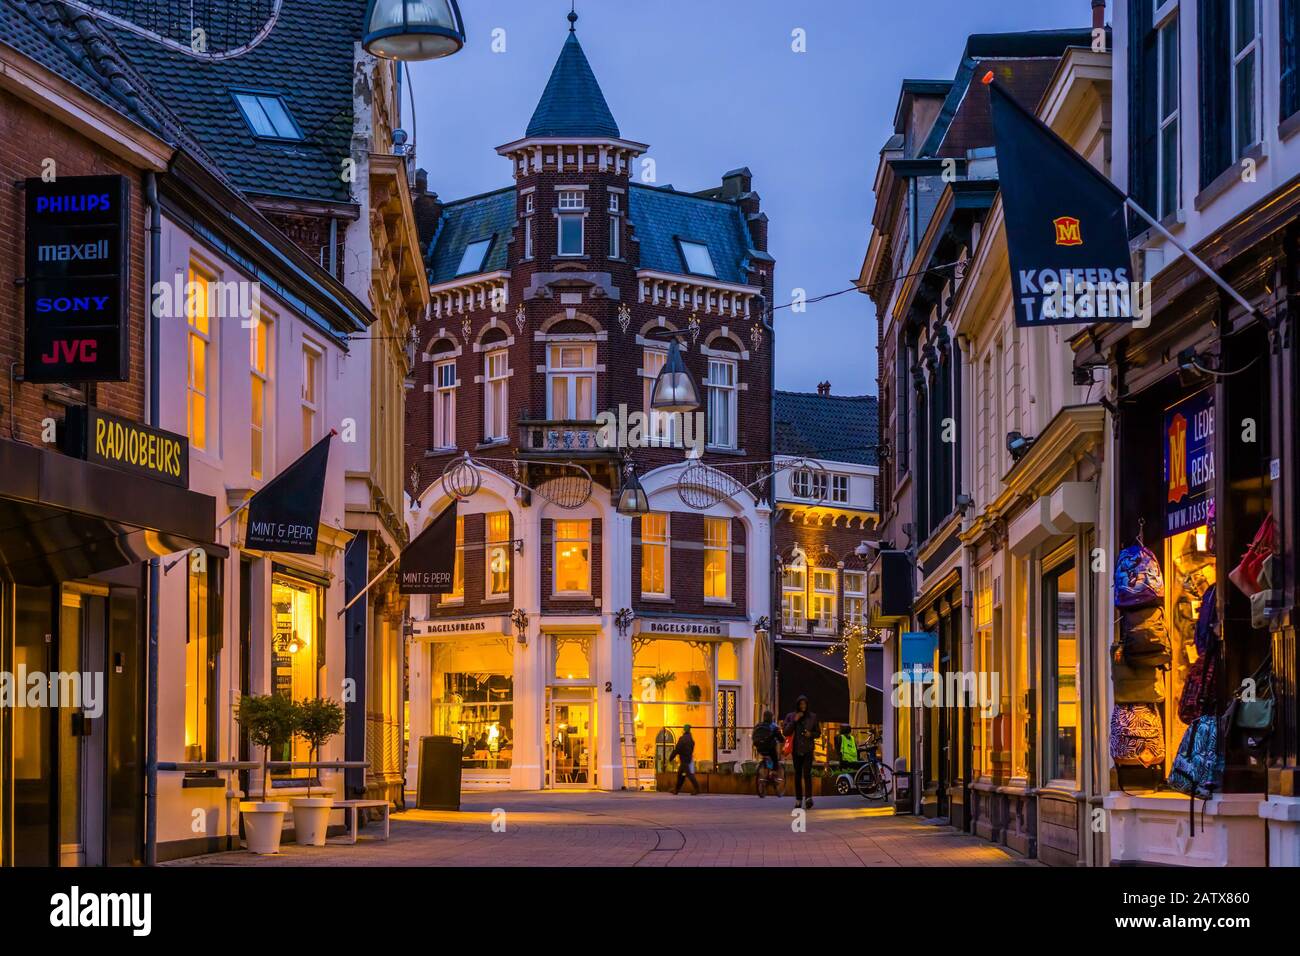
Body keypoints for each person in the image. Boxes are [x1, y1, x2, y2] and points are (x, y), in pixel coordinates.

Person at [783, 695, 820, 809]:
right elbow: (786, 732)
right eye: (801, 704)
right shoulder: (791, 716)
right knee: (797, 775)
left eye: (805, 704)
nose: (803, 706)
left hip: (808, 749)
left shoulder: (813, 717)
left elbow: (818, 733)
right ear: (797, 705)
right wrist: (795, 721)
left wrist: (811, 734)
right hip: (796, 749)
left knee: (807, 774)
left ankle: (808, 798)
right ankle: (798, 799)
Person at [751, 710, 784, 797]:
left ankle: (764, 773)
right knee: (775, 759)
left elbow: (753, 735)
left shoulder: (758, 725)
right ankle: (773, 773)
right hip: (769, 748)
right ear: (771, 717)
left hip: (759, 747)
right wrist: (782, 740)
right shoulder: (773, 726)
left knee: (765, 757)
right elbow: (780, 738)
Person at [669, 724, 699, 795]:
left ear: (684, 730)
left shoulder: (682, 739)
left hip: (684, 759)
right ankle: (676, 790)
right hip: (688, 758)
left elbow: (677, 749)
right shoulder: (691, 739)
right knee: (681, 775)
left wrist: (671, 757)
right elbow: (691, 748)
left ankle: (697, 788)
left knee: (688, 774)